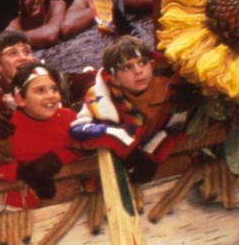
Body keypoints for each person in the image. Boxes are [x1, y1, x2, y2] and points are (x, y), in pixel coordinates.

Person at [69, 35, 193, 183]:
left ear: (151, 65)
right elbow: (78, 130)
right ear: (114, 79)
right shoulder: (101, 97)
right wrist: (129, 150)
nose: (138, 71)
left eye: (142, 63)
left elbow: (174, 126)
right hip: (129, 143)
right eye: (127, 67)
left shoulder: (173, 88)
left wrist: (152, 155)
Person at [0, 62, 82, 206]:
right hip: (28, 209)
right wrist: (22, 172)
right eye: (40, 91)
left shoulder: (70, 118)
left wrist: (59, 157)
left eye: (54, 89)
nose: (50, 96)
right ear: (20, 99)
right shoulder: (7, 129)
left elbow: (89, 147)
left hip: (77, 201)